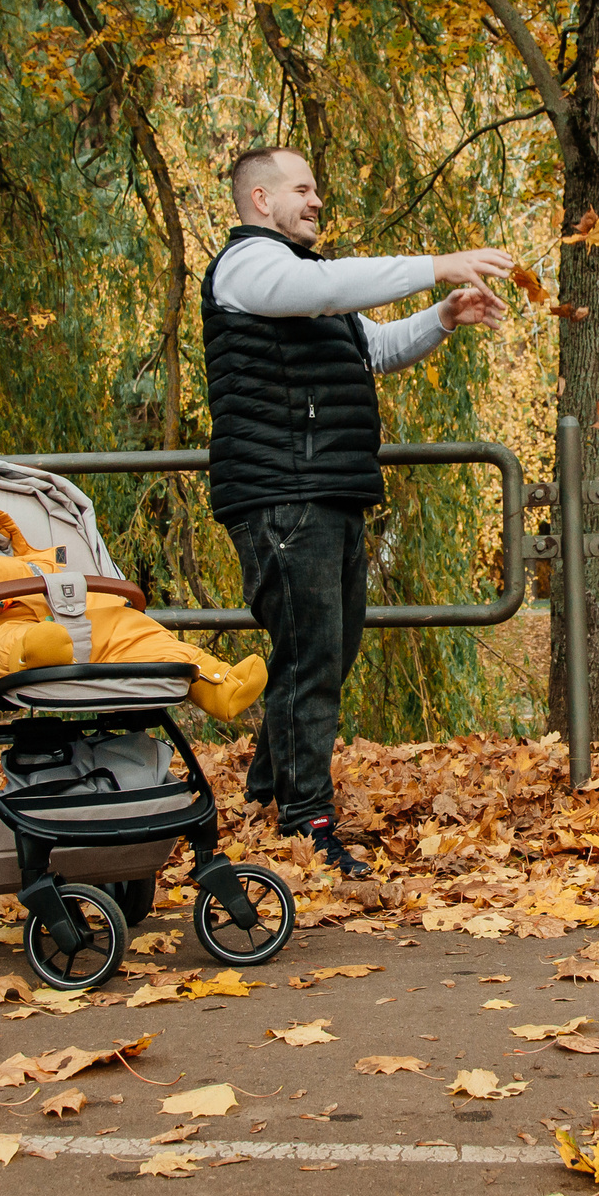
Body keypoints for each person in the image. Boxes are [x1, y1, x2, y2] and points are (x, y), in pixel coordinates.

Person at [201, 145, 510, 878]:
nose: (315, 201)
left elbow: (370, 347)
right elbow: (336, 287)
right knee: (313, 659)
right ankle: (307, 823)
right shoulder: (250, 266)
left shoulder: (306, 287)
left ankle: (272, 789)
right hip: (284, 494)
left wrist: (442, 315)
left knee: (325, 652)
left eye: (316, 188)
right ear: (261, 201)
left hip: (325, 488)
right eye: (302, 189)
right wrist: (437, 263)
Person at [0, 472, 241, 685]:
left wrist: (110, 607)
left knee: (129, 625)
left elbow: (79, 592)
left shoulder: (31, 562)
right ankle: (41, 649)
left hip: (67, 620)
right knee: (10, 642)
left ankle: (215, 681)